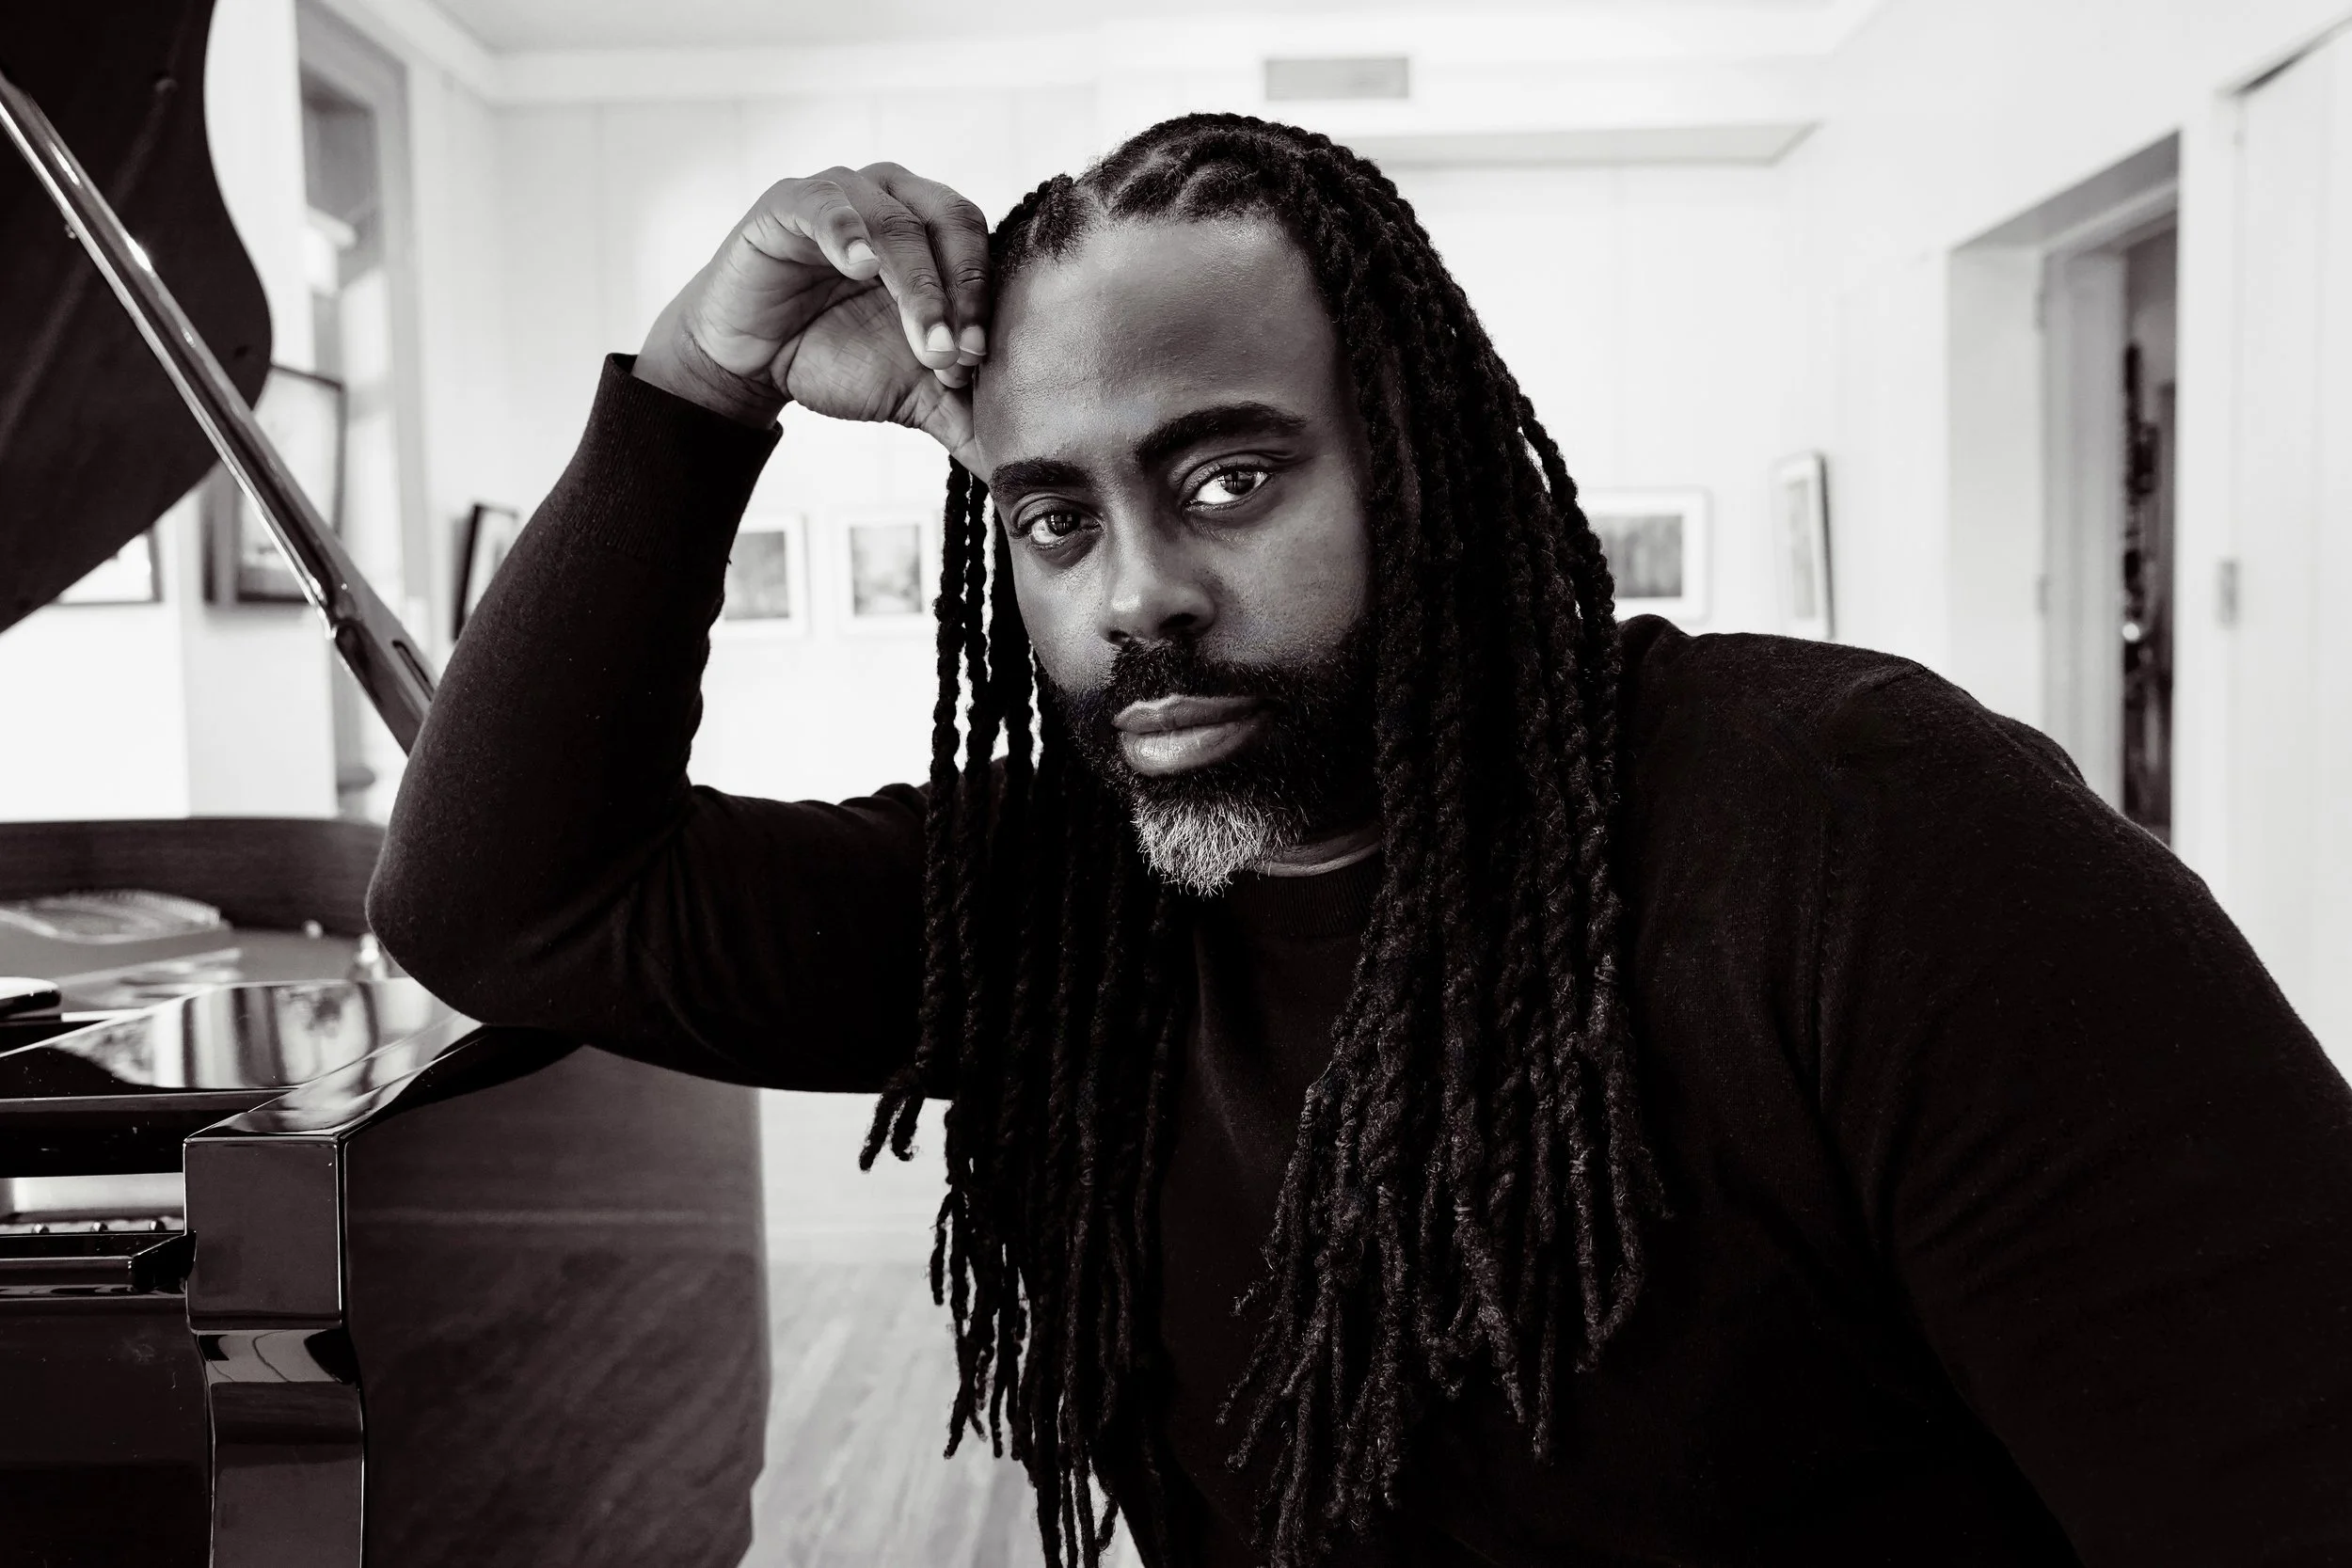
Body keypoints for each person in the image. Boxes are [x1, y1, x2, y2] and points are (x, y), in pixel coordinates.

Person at [370, 116, 2352, 1568]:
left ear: (1424, 458)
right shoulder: (1058, 906)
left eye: (1226, 473)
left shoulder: (1869, 837)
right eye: (1053, 515)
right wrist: (700, 382)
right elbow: (503, 898)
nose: (1136, 591)